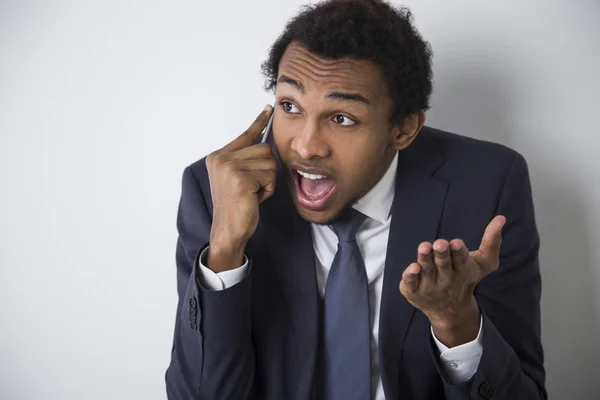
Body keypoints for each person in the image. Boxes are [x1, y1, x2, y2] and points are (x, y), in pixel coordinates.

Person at [165, 0, 546, 398]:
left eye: (341, 118)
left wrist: (457, 323)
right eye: (290, 106)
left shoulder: (487, 185)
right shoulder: (217, 191)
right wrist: (225, 249)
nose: (305, 146)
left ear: (404, 129)